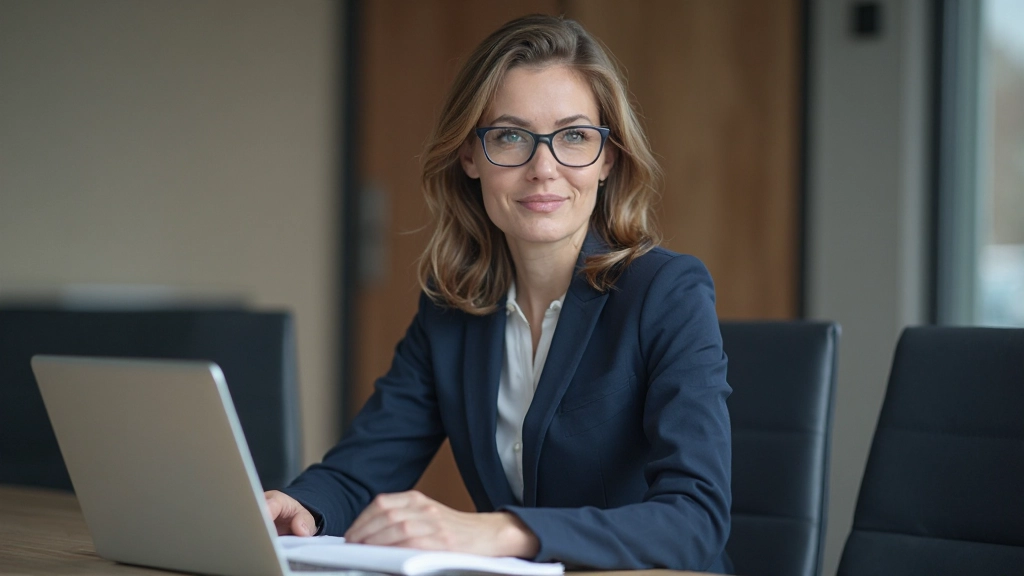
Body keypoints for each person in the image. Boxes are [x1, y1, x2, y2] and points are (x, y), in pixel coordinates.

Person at [265, 14, 732, 573]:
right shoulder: (450, 307)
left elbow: (696, 519)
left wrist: (501, 530)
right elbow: (361, 469)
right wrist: (299, 506)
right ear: (470, 156)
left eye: (575, 137)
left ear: (608, 158)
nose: (544, 168)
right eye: (510, 136)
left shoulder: (666, 293)